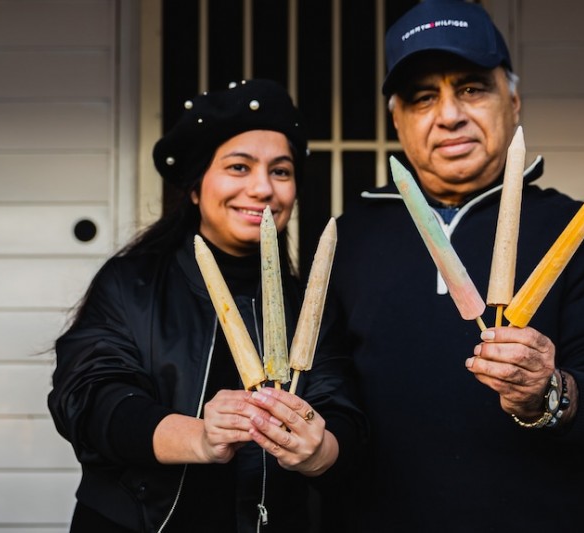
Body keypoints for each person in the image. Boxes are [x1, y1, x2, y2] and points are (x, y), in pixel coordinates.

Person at [323, 1, 584, 531]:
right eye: (422, 97)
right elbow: (329, 390)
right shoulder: (349, 237)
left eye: (472, 88)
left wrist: (549, 392)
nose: (450, 114)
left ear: (514, 99)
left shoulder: (580, 233)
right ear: (396, 119)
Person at [47, 79, 366, 533]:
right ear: (196, 188)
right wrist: (199, 436)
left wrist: (319, 451)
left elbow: (343, 412)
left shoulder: (309, 304)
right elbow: (89, 398)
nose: (262, 189)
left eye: (280, 171)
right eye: (238, 167)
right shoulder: (131, 283)